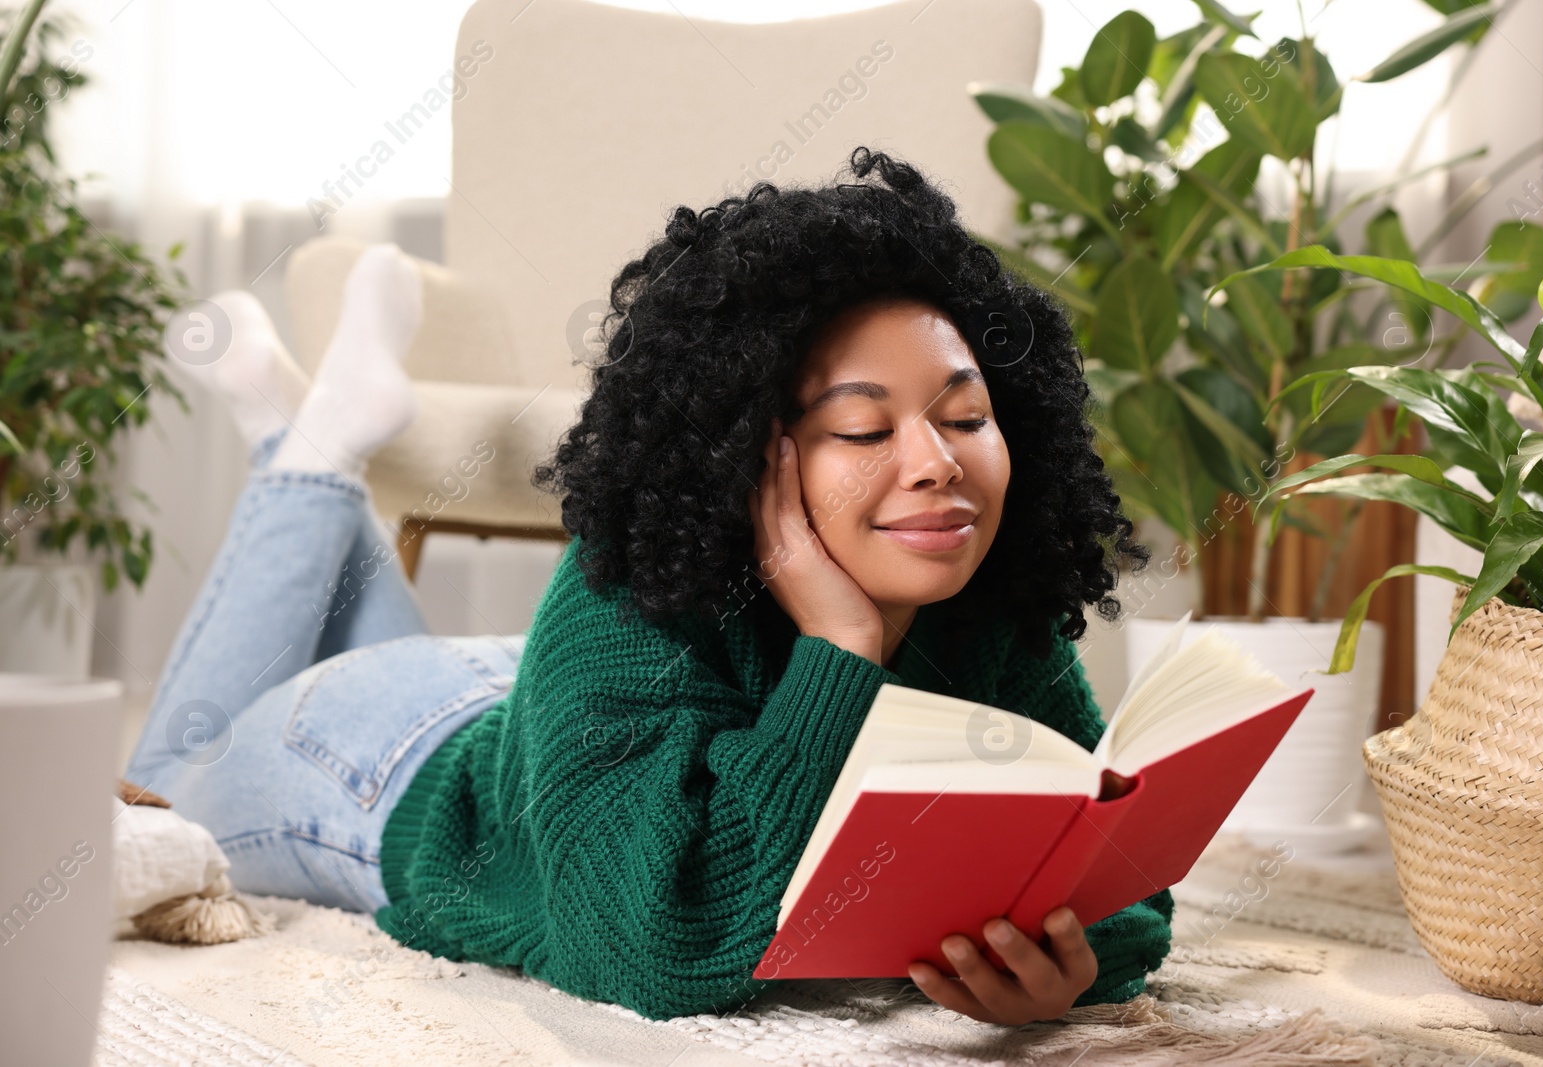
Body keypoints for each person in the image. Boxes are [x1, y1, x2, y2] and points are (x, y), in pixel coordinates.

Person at [125, 146, 1173, 1026]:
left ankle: (307, 436)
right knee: (156, 782)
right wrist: (840, 648)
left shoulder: (991, 607)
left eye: (964, 415)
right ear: (755, 456)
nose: (938, 462)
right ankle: (309, 452)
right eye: (862, 427)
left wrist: (1078, 966)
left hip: (526, 707)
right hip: (370, 762)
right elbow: (652, 949)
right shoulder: (626, 592)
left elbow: (1115, 883)